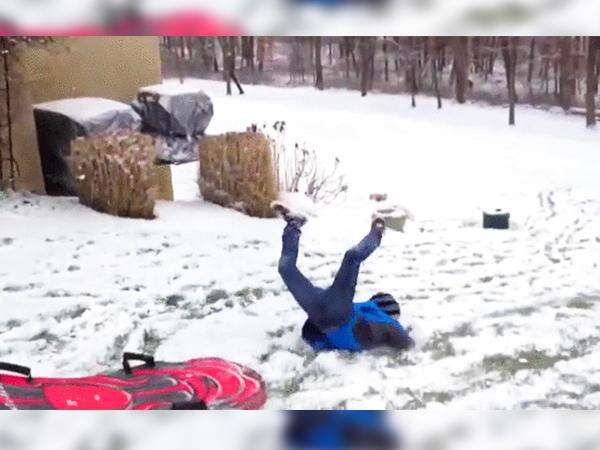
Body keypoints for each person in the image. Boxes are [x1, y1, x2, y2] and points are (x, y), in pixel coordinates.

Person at [273, 202, 414, 352]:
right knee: (350, 258)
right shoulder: (386, 322)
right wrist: (411, 342)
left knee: (286, 268)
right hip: (333, 312)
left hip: (323, 310)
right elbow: (406, 343)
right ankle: (378, 230)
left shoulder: (379, 318)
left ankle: (294, 223)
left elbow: (314, 336)